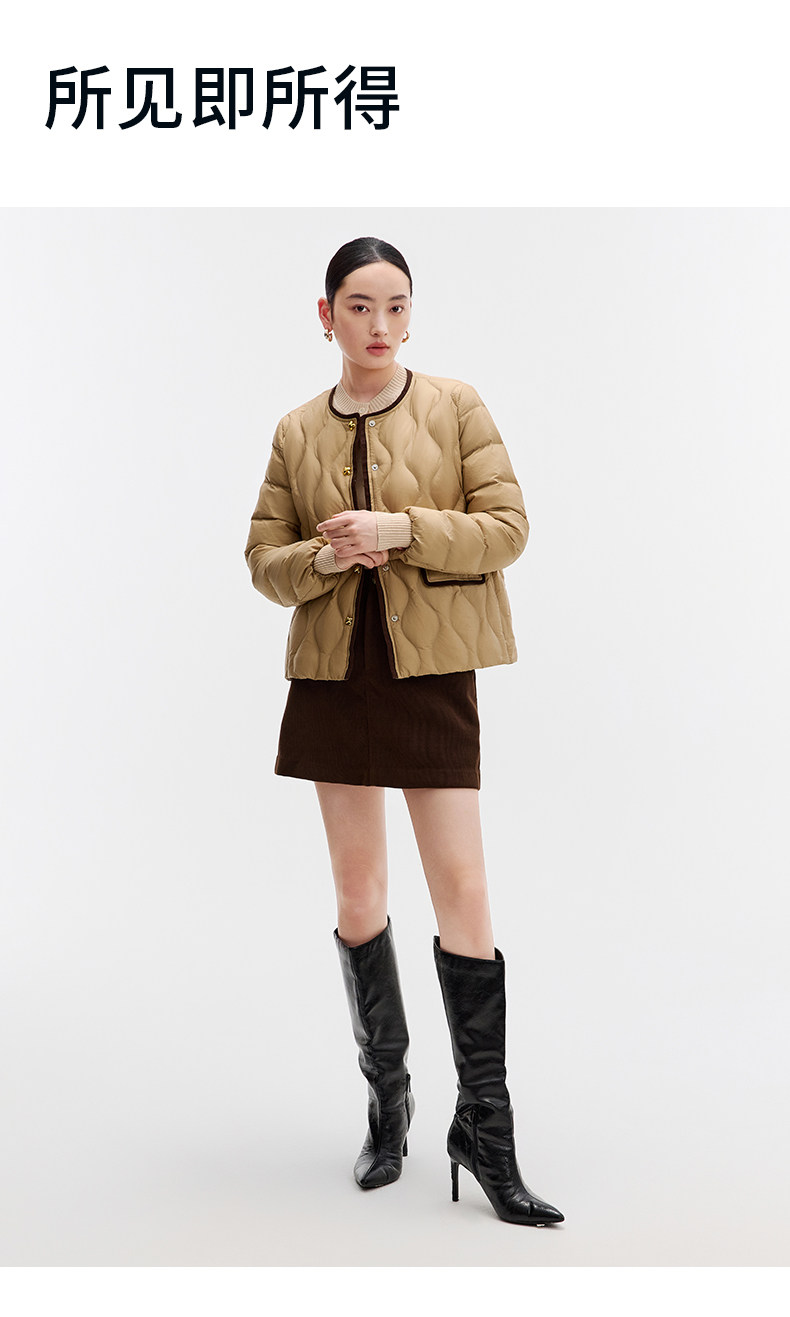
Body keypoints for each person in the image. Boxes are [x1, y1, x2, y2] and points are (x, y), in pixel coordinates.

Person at [244, 237, 564, 1227]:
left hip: (432, 673)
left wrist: (400, 530)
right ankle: (389, 1105)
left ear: (411, 313)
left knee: (463, 889)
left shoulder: (456, 406)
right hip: (334, 678)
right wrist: (324, 559)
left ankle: (488, 1131)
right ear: (326, 315)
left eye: (395, 305)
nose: (379, 324)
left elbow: (507, 529)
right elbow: (262, 561)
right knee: (358, 891)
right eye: (359, 305)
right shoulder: (296, 429)